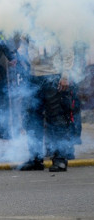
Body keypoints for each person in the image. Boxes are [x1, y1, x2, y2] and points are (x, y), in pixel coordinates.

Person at [18, 32, 74, 172]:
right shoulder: (30, 23)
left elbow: (67, 50)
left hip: (54, 77)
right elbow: (23, 45)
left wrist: (65, 75)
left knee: (57, 120)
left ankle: (60, 159)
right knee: (32, 119)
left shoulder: (56, 23)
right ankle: (35, 158)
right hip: (33, 76)